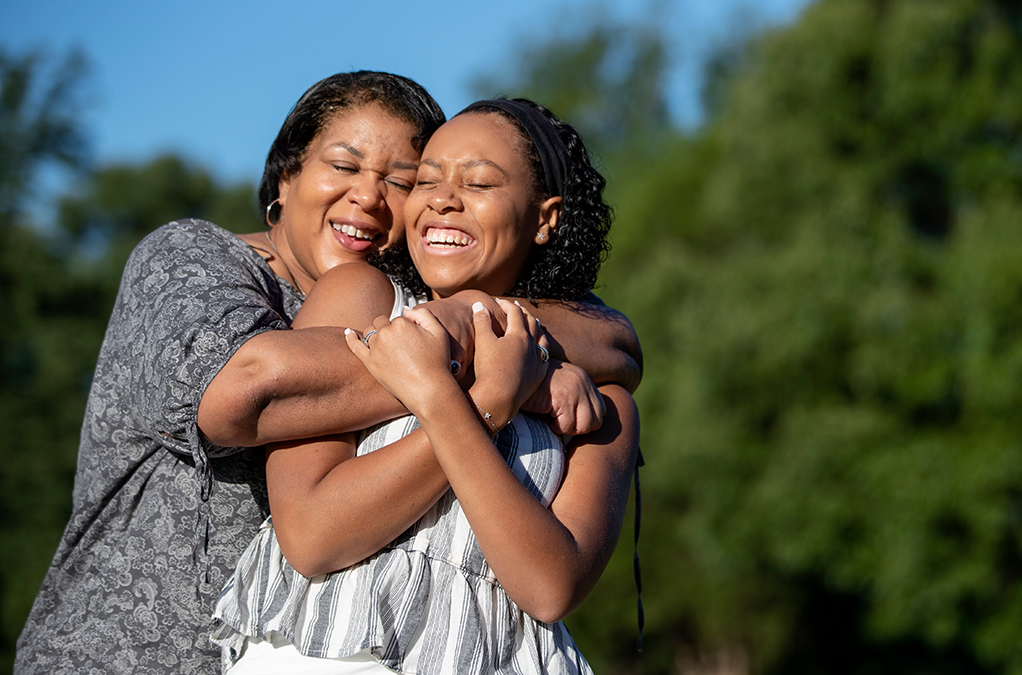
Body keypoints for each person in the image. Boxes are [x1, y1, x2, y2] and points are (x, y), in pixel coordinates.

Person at [15, 72, 640, 674]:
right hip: (129, 656)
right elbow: (240, 395)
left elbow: (620, 343)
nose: (369, 196)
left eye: (400, 179)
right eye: (343, 166)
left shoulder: (491, 333)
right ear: (285, 176)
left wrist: (503, 346)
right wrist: (491, 375)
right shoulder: (199, 262)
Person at [210, 99, 639, 674]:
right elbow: (312, 539)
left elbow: (548, 587)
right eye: (426, 181)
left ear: (546, 218)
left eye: (480, 182)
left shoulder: (599, 401)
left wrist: (446, 395)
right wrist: (486, 398)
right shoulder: (361, 301)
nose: (443, 199)